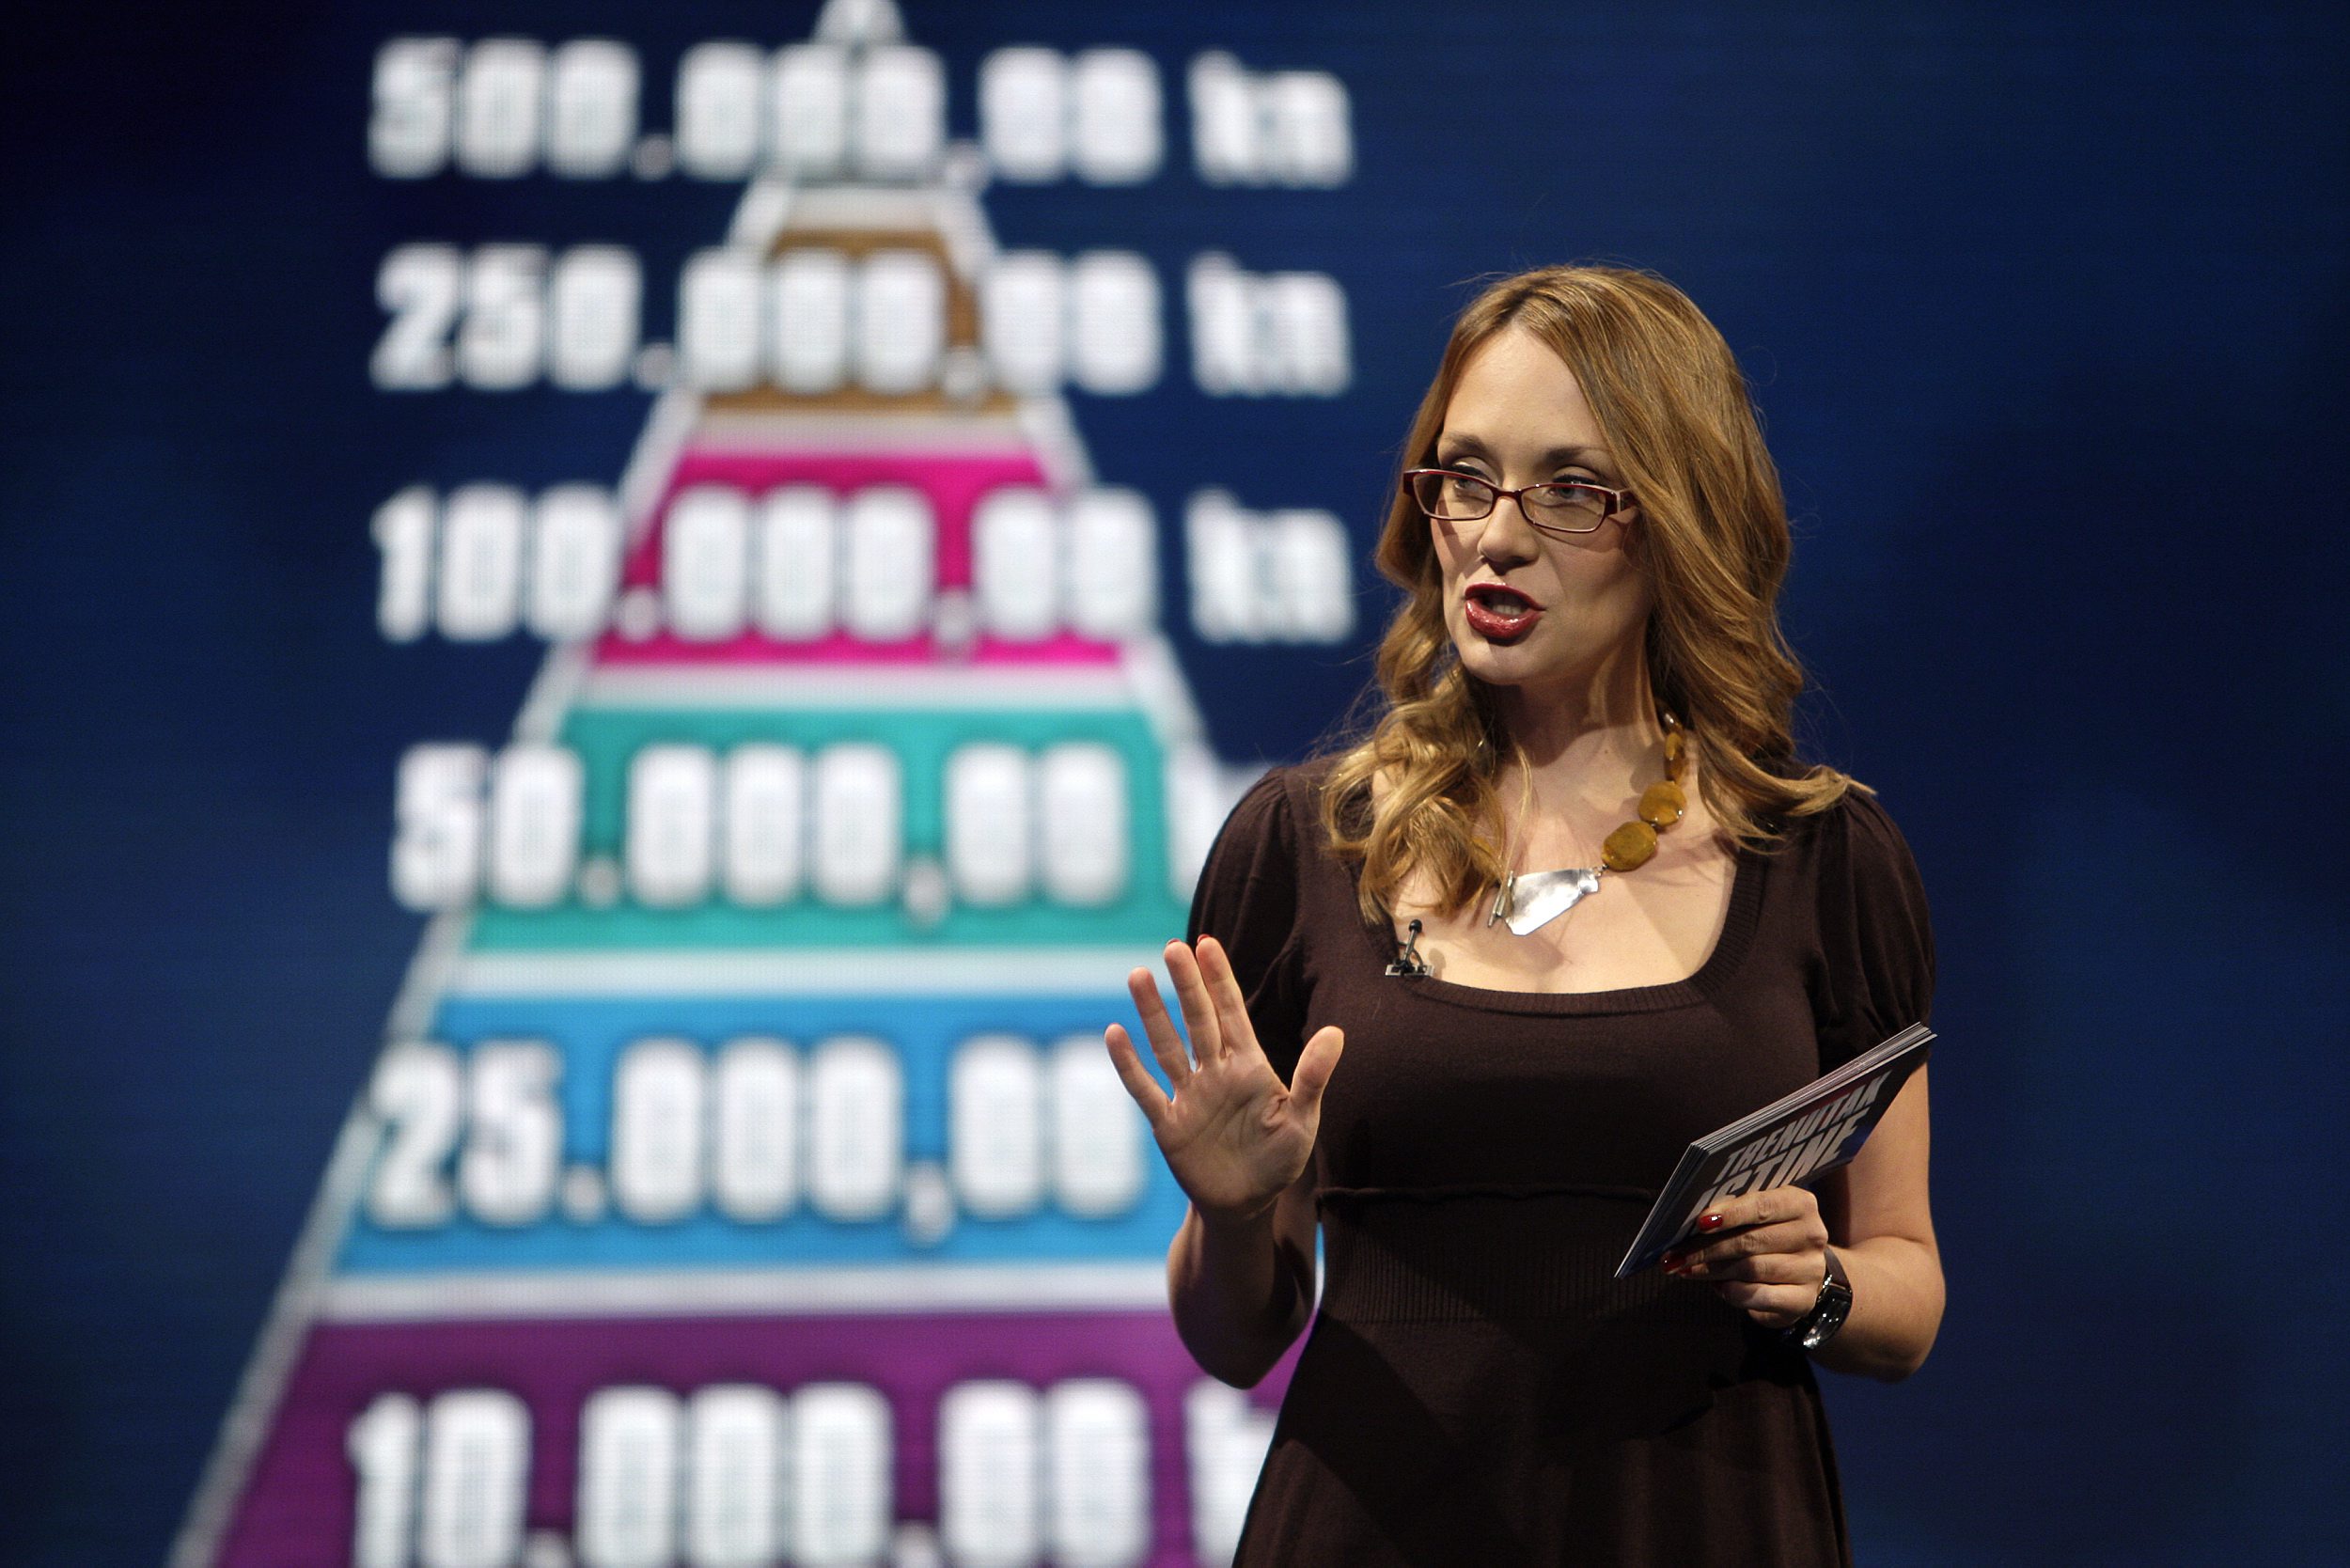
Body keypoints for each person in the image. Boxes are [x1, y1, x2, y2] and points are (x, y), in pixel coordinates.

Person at [1102, 265, 1942, 1566]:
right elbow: (1236, 1338)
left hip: (1707, 1525)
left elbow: (1908, 1288)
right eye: (1464, 477)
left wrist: (1819, 1285)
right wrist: (1225, 1214)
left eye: (1568, 490)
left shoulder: (1823, 858)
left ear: (1675, 519)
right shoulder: (1306, 848)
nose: (1496, 535)